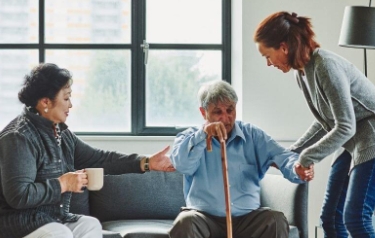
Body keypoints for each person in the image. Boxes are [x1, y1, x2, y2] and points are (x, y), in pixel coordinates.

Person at [0, 63, 175, 238]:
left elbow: (100, 159)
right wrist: (63, 184)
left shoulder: (60, 132)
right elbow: (20, 196)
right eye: (66, 98)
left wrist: (146, 162)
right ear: (45, 101)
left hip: (52, 218)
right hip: (19, 223)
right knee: (59, 233)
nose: (71, 105)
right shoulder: (19, 137)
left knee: (89, 225)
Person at [254, 11, 375, 237]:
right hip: (352, 140)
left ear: (283, 47)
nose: (268, 63)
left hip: (371, 136)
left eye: (267, 56)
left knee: (356, 217)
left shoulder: (325, 66)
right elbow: (325, 121)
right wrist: (292, 152)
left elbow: (345, 125)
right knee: (330, 219)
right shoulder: (302, 72)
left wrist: (306, 158)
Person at [168, 80, 314, 238]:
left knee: (275, 220)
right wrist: (203, 135)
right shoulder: (190, 138)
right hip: (203, 218)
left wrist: (297, 166)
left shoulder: (252, 135)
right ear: (204, 113)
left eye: (230, 110)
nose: (226, 118)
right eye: (218, 112)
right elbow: (182, 165)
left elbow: (282, 156)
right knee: (186, 222)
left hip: (246, 219)